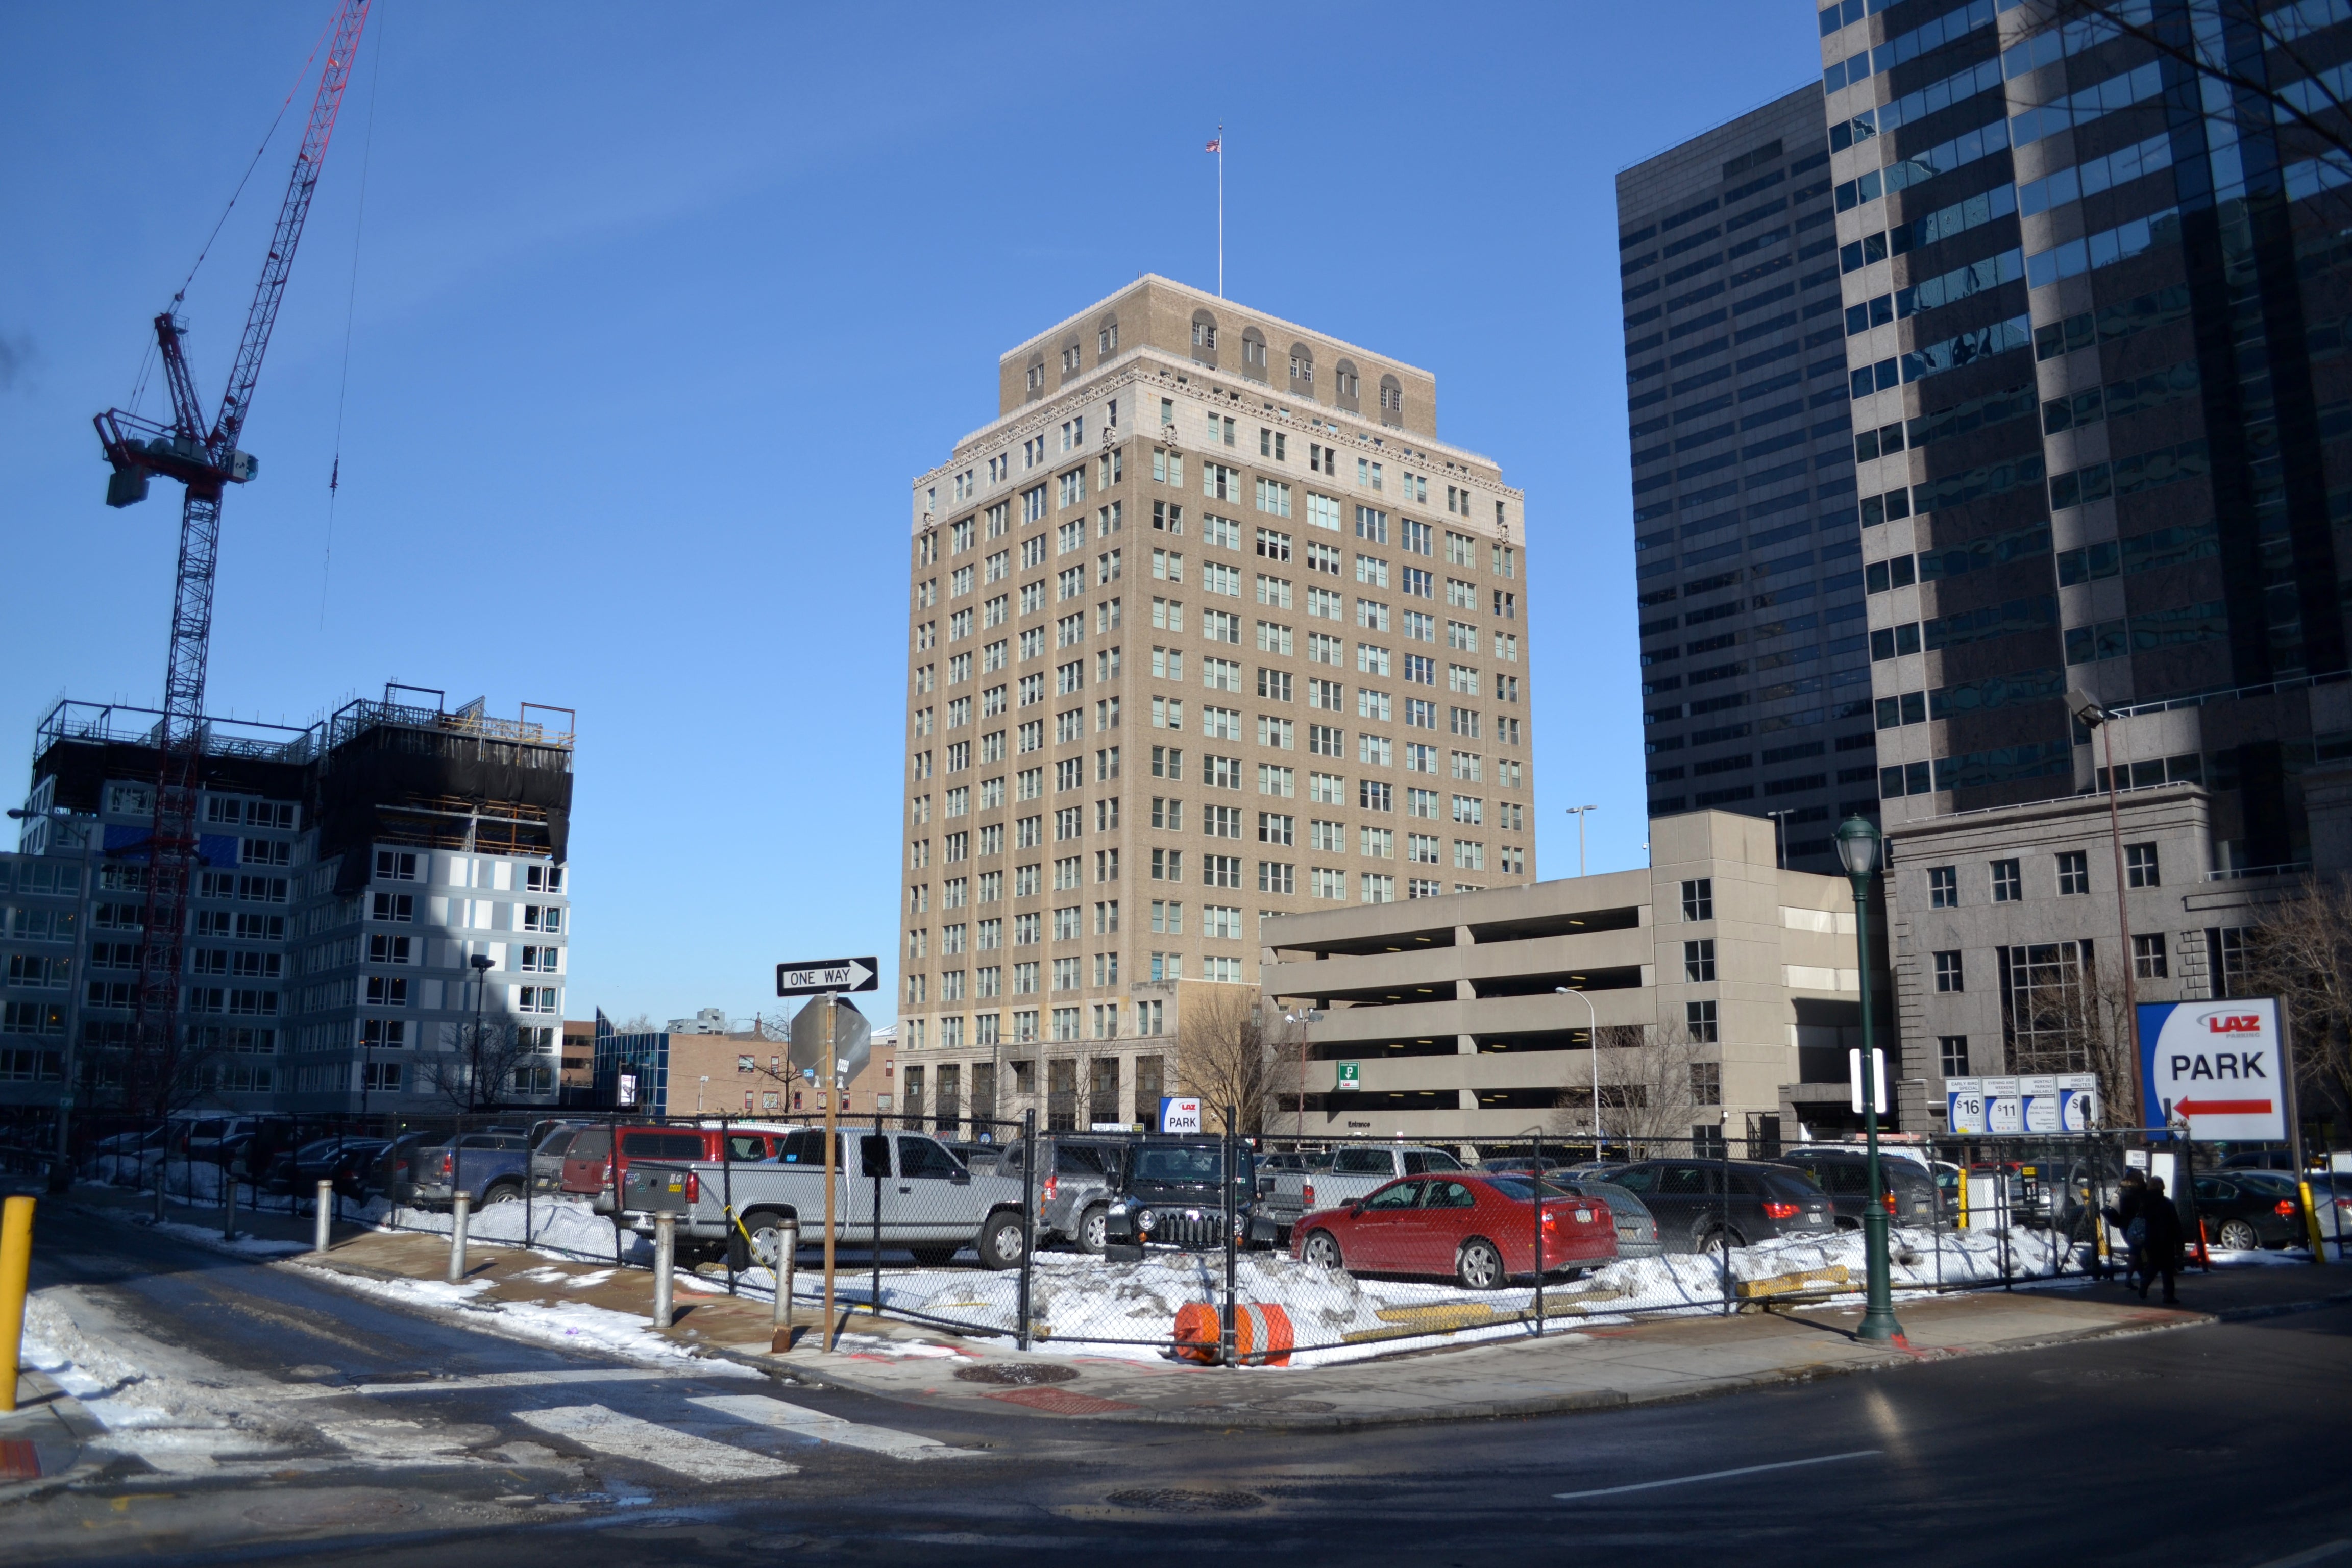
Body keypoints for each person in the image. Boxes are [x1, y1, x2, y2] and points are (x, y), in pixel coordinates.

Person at [2138, 1174, 2185, 1305]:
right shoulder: (2167, 1203)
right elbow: (2176, 1224)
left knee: (2153, 1265)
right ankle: (2169, 1295)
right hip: (2166, 1239)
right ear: (2162, 1187)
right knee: (2168, 1269)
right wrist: (2180, 1242)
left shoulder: (2144, 1202)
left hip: (2150, 1238)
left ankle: (2145, 1284)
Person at [2104, 1167, 2148, 1288]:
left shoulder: (2121, 1189)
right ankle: (2130, 1279)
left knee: (2136, 1251)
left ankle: (2142, 1277)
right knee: (2135, 1251)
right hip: (2136, 1224)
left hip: (2124, 1224)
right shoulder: (2140, 1190)